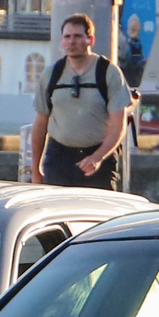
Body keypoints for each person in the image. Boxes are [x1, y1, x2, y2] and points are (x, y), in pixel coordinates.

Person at [29, 13, 130, 188]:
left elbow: (118, 125)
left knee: (96, 213)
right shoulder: (52, 74)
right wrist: (35, 168)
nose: (71, 42)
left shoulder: (108, 72)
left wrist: (97, 157)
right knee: (57, 212)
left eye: (77, 36)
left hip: (98, 156)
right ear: (61, 41)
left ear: (90, 40)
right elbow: (40, 123)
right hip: (59, 156)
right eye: (67, 37)